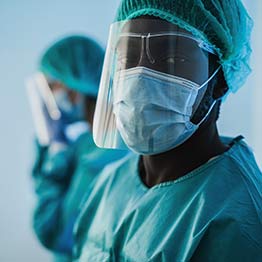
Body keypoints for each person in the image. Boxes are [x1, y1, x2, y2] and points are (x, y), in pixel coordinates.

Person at [73, 0, 262, 261]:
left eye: (173, 58)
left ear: (219, 80)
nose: (138, 79)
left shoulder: (237, 222)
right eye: (127, 58)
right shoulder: (111, 183)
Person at [30, 35, 128, 261]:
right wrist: (54, 147)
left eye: (52, 86)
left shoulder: (108, 149)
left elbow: (54, 233)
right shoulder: (85, 144)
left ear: (75, 85)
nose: (49, 98)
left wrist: (57, 150)